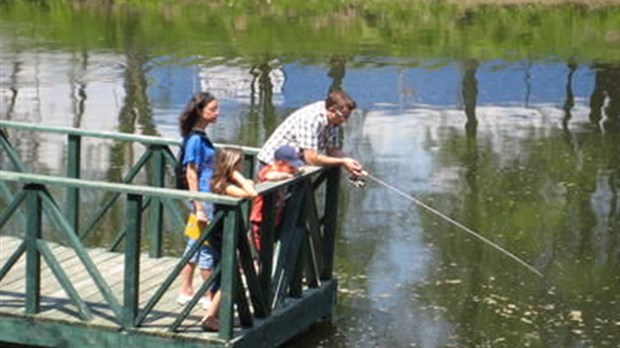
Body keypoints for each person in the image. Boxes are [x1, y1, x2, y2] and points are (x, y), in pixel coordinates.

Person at [201, 147, 258, 332]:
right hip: (220, 234)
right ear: (232, 165)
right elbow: (252, 193)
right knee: (228, 275)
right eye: (239, 164)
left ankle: (215, 315)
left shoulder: (222, 182)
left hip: (224, 232)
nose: (242, 166)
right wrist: (240, 178)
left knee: (228, 274)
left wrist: (240, 178)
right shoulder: (223, 185)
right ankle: (209, 318)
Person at [256, 89, 365, 177]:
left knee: (296, 202)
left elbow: (332, 150)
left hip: (295, 165)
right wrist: (342, 162)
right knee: (271, 204)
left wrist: (350, 162)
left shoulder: (333, 120)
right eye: (344, 116)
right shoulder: (311, 119)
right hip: (272, 164)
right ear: (332, 109)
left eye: (347, 117)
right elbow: (311, 158)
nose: (345, 121)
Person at [177, 91, 219, 309]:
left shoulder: (200, 136)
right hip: (203, 199)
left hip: (205, 198)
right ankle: (209, 295)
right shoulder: (195, 139)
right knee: (206, 246)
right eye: (213, 109)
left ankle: (186, 289)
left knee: (194, 242)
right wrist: (199, 206)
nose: (217, 113)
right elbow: (191, 173)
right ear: (200, 111)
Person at [249, 144, 304, 253]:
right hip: (259, 220)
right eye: (291, 167)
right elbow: (270, 176)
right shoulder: (267, 170)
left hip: (273, 219)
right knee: (259, 252)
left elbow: (299, 169)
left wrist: (297, 171)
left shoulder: (283, 169)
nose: (292, 170)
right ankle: (255, 265)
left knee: (269, 248)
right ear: (280, 163)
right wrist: (288, 176)